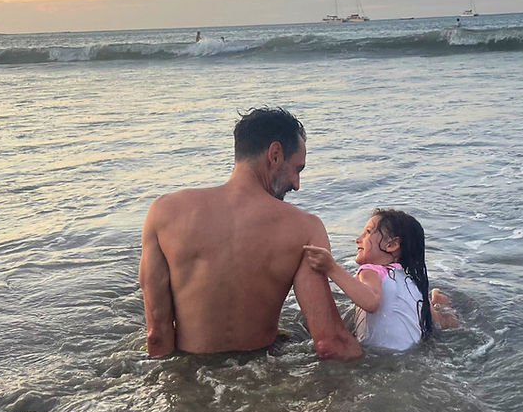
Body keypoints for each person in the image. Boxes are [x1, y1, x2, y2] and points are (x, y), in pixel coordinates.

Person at [139, 107, 362, 360]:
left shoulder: (164, 212)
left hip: (191, 382)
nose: (297, 185)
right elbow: (329, 342)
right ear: (275, 154)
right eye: (298, 169)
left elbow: (156, 335)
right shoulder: (305, 228)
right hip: (260, 377)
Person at [302, 209, 458, 351]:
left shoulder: (370, 271)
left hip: (383, 360)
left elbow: (371, 302)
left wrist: (331, 268)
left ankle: (438, 302)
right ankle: (440, 304)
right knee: (436, 315)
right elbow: (438, 323)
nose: (358, 239)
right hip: (414, 354)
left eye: (368, 232)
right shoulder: (411, 282)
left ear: (391, 244)